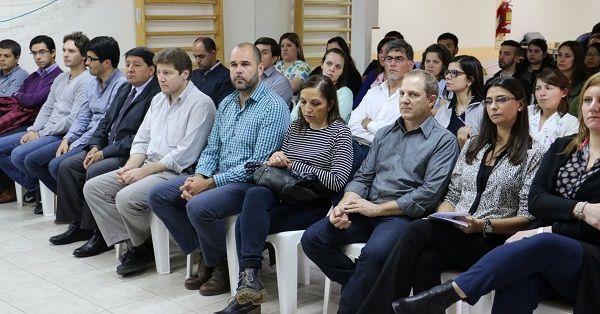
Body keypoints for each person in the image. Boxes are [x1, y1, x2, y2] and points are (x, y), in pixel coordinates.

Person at [391, 72, 600, 314]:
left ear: (520, 104)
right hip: (541, 250)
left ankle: (453, 292)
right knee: (516, 283)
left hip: (586, 257)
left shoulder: (536, 150)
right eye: (587, 100)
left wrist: (547, 228)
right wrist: (581, 210)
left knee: (544, 242)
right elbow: (538, 200)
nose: (593, 107)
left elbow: (580, 226)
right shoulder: (564, 146)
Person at [357, 76, 546, 314]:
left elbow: (528, 217)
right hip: (459, 233)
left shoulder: (535, 153)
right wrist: (443, 218)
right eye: (488, 101)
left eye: (501, 100)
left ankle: (375, 311)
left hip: (495, 240)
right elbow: (453, 194)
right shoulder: (475, 145)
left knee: (416, 229)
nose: (493, 107)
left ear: (520, 104)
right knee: (426, 259)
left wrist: (481, 225)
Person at [301, 69, 460, 314]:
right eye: (402, 93)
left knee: (373, 257)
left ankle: (354, 302)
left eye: (413, 95)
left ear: (431, 100)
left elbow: (429, 194)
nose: (405, 99)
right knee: (313, 239)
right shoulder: (385, 133)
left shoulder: (443, 141)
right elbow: (363, 176)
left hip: (401, 217)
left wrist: (376, 209)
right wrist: (346, 204)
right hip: (366, 209)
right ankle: (374, 286)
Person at [147, 43, 289, 296]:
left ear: (259, 67)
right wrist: (200, 175)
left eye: (245, 65)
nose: (238, 71)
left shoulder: (273, 107)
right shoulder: (227, 103)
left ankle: (219, 265)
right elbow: (212, 148)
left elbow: (257, 165)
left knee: (198, 206)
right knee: (160, 196)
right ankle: (209, 254)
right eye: (233, 65)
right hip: (218, 177)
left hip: (251, 184)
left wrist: (210, 183)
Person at [216, 74, 353, 314]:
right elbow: (283, 165)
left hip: (314, 205)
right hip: (285, 193)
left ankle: (247, 297)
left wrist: (294, 166)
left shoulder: (340, 133)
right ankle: (249, 284)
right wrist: (277, 158)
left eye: (315, 103)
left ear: (330, 103)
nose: (307, 109)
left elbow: (337, 181)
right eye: (303, 102)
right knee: (256, 195)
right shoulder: (296, 126)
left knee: (243, 226)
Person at [83, 47, 216, 274]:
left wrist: (144, 172)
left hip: (177, 172)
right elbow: (142, 139)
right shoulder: (158, 100)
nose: (161, 78)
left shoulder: (201, 104)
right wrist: (130, 167)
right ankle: (139, 244)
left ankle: (140, 247)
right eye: (160, 73)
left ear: (185, 74)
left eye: (168, 73)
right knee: (94, 188)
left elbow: (185, 154)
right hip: (148, 166)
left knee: (125, 197)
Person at [48, 47, 160, 258]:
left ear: (151, 70)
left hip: (130, 154)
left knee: (95, 171)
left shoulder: (154, 95)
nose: (130, 70)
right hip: (107, 147)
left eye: (137, 65)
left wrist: (105, 152)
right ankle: (79, 225)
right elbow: (105, 122)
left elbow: (138, 137)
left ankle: (99, 234)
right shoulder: (125, 88)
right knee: (67, 166)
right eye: (127, 65)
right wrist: (96, 146)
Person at [22, 36, 127, 214]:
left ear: (107, 63)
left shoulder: (120, 85)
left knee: (59, 165)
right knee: (52, 163)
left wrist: (75, 143)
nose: (87, 62)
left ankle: (78, 215)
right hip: (81, 134)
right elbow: (83, 116)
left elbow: (104, 123)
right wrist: (68, 138)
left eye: (91, 59)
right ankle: (77, 214)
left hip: (101, 139)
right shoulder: (94, 82)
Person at [0, 34, 86, 207]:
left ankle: (58, 197)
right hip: (42, 128)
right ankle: (39, 189)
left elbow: (73, 118)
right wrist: (34, 130)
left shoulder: (85, 81)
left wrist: (41, 132)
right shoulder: (60, 79)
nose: (66, 55)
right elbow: (46, 107)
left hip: (60, 133)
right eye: (65, 50)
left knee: (21, 155)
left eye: (71, 51)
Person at [348, 39, 414, 168]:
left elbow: (397, 138)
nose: (392, 64)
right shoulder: (373, 92)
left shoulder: (412, 97)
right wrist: (380, 137)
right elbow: (352, 126)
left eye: (399, 59)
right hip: (358, 148)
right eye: (389, 59)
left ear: (410, 64)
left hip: (389, 159)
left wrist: (369, 124)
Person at [434, 55, 485, 148]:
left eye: (454, 73)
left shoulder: (482, 109)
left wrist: (464, 147)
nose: (447, 77)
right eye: (447, 72)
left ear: (470, 80)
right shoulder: (444, 110)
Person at [292, 48, 353, 122]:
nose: (332, 69)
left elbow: (335, 122)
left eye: (338, 67)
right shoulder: (309, 87)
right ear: (322, 65)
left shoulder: (345, 93)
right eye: (329, 63)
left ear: (342, 71)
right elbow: (293, 118)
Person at [529, 68, 579, 147]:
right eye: (538, 88)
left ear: (564, 92)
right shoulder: (527, 112)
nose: (542, 93)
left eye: (548, 88)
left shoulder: (571, 123)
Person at [190, 37, 234, 106]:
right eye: (195, 56)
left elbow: (223, 108)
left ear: (213, 53)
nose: (197, 61)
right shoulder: (193, 75)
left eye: (201, 56)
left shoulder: (226, 77)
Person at [354, 37, 394, 108]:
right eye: (380, 52)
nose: (382, 55)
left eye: (387, 52)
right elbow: (358, 101)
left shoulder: (399, 78)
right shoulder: (373, 74)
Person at [253, 37, 292, 105]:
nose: (258, 56)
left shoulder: (280, 82)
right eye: (257, 52)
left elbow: (266, 108)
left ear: (274, 59)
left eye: (264, 53)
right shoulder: (248, 77)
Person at [557, 41, 590, 117]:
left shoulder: (585, 84)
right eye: (560, 55)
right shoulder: (552, 79)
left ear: (577, 58)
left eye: (567, 56)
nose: (561, 59)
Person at [420, 43, 451, 109]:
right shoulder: (416, 82)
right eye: (428, 61)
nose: (430, 65)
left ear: (444, 65)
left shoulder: (448, 85)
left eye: (435, 62)